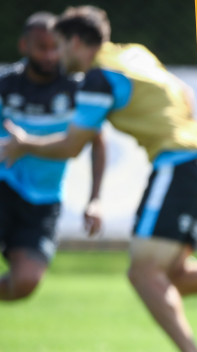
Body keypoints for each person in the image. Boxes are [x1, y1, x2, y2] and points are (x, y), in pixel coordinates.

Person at [0, 6, 197, 352]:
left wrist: (23, 144)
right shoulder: (133, 53)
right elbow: (184, 93)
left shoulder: (97, 78)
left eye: (60, 45)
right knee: (169, 274)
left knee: (142, 272)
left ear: (75, 41)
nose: (58, 56)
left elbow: (72, 145)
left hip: (178, 165)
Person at [0, 11, 105, 302]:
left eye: (54, 47)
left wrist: (95, 199)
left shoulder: (77, 87)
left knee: (25, 282)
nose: (49, 55)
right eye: (41, 47)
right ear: (24, 46)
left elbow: (98, 143)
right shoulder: (5, 85)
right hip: (4, 184)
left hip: (44, 198)